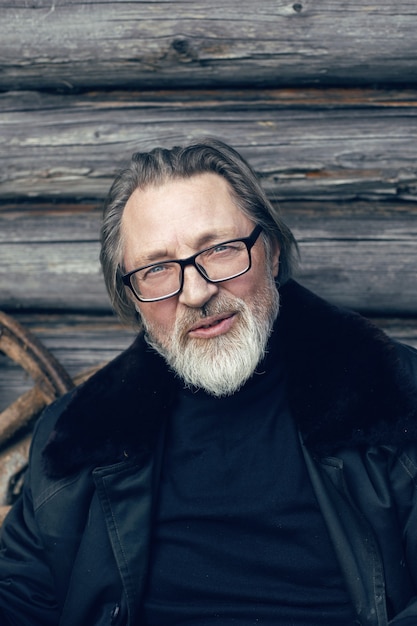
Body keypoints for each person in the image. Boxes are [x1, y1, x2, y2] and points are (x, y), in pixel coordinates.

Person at [0, 139, 416, 626]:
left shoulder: (394, 397)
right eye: (156, 269)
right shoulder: (76, 435)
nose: (196, 293)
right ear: (132, 296)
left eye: (219, 250)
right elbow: (21, 598)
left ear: (273, 254)